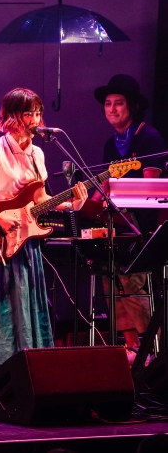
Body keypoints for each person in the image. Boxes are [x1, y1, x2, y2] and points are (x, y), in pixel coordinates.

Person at [0, 88, 88, 391]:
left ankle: (25, 370)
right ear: (12, 116)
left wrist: (72, 204)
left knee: (27, 303)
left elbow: (40, 199)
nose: (35, 119)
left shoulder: (37, 153)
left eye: (38, 113)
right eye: (29, 113)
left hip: (25, 238)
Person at [90, 74, 167, 365]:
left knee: (132, 284)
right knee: (110, 281)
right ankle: (131, 346)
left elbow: (150, 188)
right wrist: (85, 205)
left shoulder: (149, 137)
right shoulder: (111, 144)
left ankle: (150, 350)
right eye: (108, 104)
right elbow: (105, 185)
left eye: (118, 103)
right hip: (118, 223)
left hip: (143, 226)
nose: (111, 109)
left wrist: (116, 200)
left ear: (133, 106)